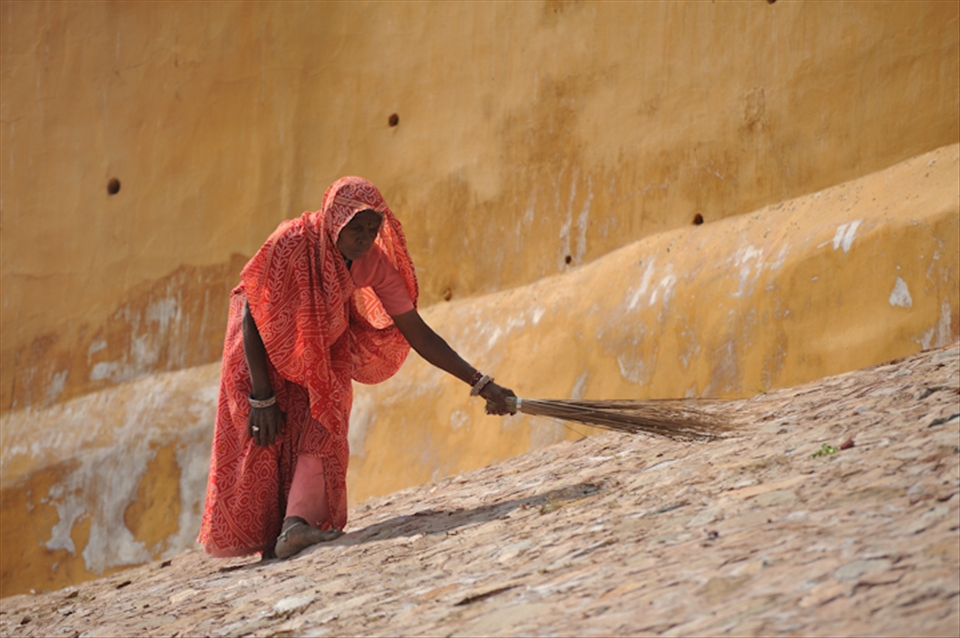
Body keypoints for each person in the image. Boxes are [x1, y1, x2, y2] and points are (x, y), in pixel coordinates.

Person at [198, 176, 515, 560]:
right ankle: (270, 529)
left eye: (372, 228)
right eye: (356, 227)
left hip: (319, 346)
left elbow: (418, 333)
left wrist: (480, 382)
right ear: (334, 219)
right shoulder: (292, 241)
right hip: (259, 348)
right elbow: (252, 311)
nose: (364, 237)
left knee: (325, 416)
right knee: (267, 436)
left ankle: (295, 525)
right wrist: (261, 395)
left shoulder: (372, 264)